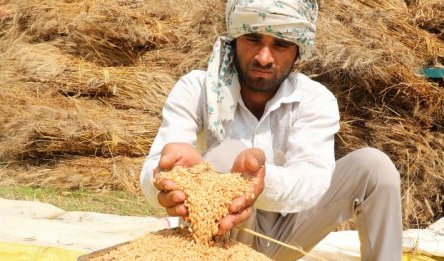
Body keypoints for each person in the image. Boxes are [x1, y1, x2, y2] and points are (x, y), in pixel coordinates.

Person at [141, 0, 402, 260]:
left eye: (281, 44)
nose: (264, 58)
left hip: (290, 232)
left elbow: (313, 180)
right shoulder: (197, 89)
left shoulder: (314, 99)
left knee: (374, 167)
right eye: (253, 38)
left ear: (298, 50)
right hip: (220, 236)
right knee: (226, 153)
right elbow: (153, 171)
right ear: (235, 39)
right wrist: (167, 177)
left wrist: (258, 183)